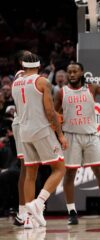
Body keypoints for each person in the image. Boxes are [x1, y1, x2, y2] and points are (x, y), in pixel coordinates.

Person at [54, 62, 100, 225]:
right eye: (69, 72)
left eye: (75, 71)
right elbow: (53, 114)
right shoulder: (61, 93)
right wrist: (58, 132)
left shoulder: (92, 88)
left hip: (91, 136)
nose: (72, 74)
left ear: (82, 73)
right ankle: (72, 212)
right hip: (71, 136)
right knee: (70, 174)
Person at [11, 53, 67, 228]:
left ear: (22, 65)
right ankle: (38, 203)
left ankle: (28, 218)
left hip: (23, 131)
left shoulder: (15, 82)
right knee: (59, 168)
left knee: (30, 173)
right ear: (40, 64)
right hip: (41, 130)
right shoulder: (42, 82)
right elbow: (50, 112)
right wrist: (60, 134)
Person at [11, 50, 31, 227]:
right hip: (23, 124)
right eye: (26, 56)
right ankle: (23, 212)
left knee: (32, 169)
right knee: (27, 168)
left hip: (30, 124)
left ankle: (29, 210)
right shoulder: (22, 76)